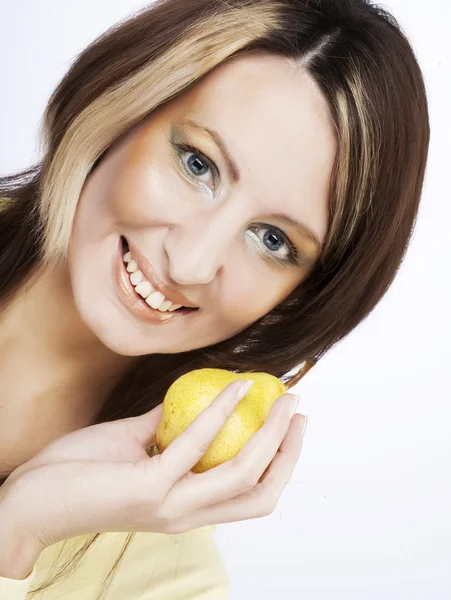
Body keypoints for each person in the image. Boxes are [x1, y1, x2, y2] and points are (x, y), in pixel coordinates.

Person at [0, 0, 430, 598]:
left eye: (273, 240)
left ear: (302, 295)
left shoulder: (169, 582)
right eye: (197, 164)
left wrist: (19, 533)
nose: (193, 262)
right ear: (124, 100)